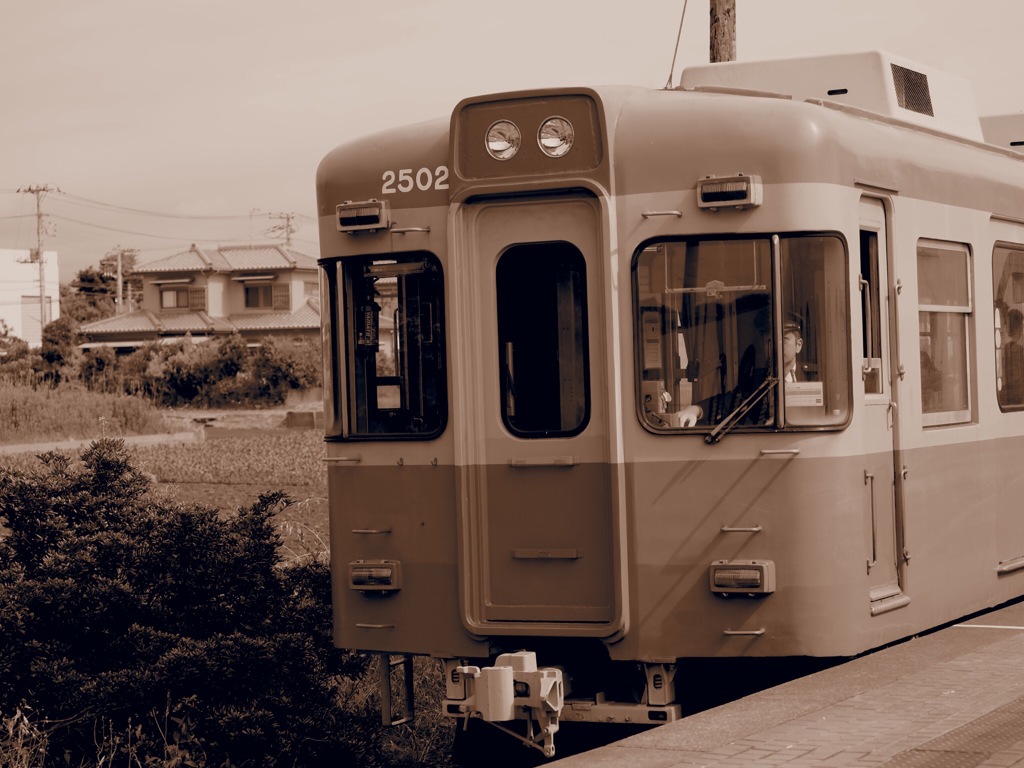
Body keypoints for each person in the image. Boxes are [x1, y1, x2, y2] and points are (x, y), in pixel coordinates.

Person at [675, 310, 804, 427]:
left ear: (798, 345)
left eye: (784, 340)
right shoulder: (757, 380)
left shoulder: (815, 378)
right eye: (768, 341)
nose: (776, 346)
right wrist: (695, 410)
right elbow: (727, 402)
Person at [1003, 308, 1024, 405]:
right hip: (1018, 397)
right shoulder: (1018, 350)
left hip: (1009, 394)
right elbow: (1018, 379)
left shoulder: (1006, 348)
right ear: (1020, 328)